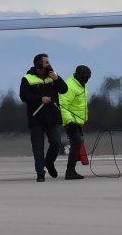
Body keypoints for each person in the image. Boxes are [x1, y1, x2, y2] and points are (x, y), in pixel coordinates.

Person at [20, 53, 68, 181]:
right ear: (39, 65)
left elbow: (64, 89)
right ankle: (40, 173)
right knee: (38, 147)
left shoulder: (53, 75)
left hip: (53, 116)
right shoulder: (27, 78)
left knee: (56, 142)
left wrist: (57, 79)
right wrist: (39, 99)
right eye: (46, 62)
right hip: (37, 117)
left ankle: (49, 162)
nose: (49, 64)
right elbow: (23, 96)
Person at [60, 64, 93, 180]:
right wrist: (69, 122)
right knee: (76, 145)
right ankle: (70, 172)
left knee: (77, 145)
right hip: (71, 122)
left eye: (88, 77)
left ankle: (71, 171)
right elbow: (63, 106)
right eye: (85, 76)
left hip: (78, 122)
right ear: (79, 75)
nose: (87, 79)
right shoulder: (70, 86)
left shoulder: (82, 86)